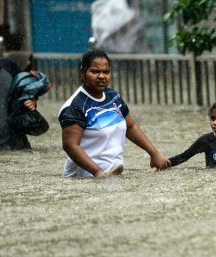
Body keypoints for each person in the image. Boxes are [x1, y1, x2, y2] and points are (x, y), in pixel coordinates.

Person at [58, 49, 170, 177]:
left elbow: (130, 127)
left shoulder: (113, 97)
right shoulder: (75, 107)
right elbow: (70, 146)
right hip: (84, 179)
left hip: (112, 176)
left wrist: (154, 154)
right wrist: (98, 172)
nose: (101, 76)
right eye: (95, 71)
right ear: (82, 74)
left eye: (106, 72)